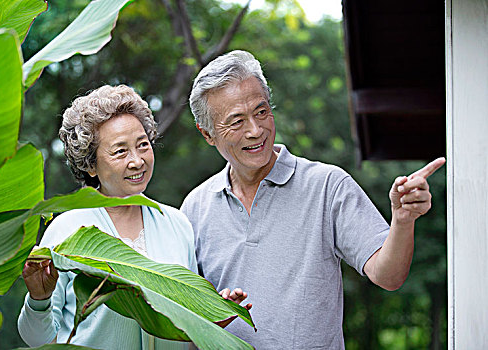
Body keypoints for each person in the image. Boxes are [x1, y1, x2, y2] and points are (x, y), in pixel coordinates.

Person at [181, 50, 445, 349]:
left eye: (261, 112)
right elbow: (184, 314)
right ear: (208, 134)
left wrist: (403, 219)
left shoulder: (328, 186)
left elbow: (389, 276)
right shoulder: (194, 207)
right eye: (237, 121)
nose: (255, 130)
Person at [17, 85, 247, 349]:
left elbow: (184, 326)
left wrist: (214, 315)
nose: (137, 161)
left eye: (142, 145)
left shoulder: (176, 223)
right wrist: (39, 299)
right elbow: (38, 340)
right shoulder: (66, 229)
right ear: (90, 164)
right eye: (120, 151)